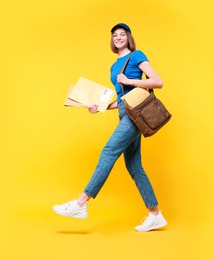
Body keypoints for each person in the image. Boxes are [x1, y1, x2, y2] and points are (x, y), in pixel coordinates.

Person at [53, 23, 167, 232]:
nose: (118, 37)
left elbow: (157, 82)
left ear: (129, 37)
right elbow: (122, 99)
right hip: (126, 112)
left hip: (136, 114)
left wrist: (130, 79)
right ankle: (155, 215)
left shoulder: (136, 55)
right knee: (134, 167)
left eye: (122, 34)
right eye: (115, 35)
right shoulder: (113, 67)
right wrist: (102, 107)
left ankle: (81, 203)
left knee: (108, 152)